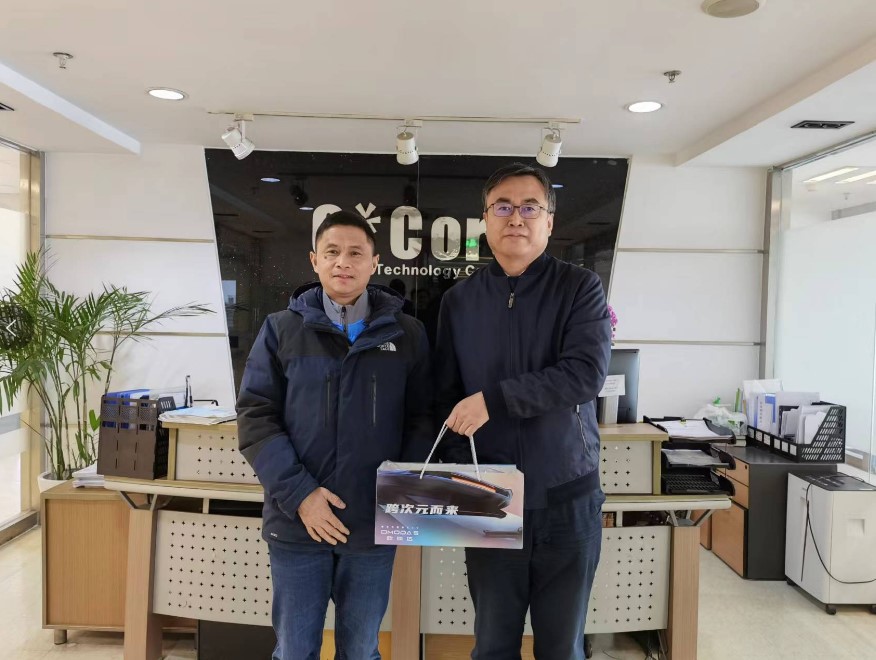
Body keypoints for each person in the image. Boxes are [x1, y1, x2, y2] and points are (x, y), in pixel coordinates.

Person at [236, 210, 432, 660]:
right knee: (294, 650)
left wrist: (396, 495)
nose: (343, 262)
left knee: (361, 650)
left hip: (371, 526)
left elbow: (423, 419)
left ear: (375, 263)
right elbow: (256, 417)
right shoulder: (281, 330)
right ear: (315, 260)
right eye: (332, 252)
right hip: (297, 522)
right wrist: (301, 495)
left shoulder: (408, 335)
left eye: (356, 253)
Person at [434, 162, 611, 660]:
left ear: (549, 221)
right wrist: (453, 478)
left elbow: (584, 375)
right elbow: (443, 396)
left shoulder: (580, 288)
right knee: (492, 644)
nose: (516, 217)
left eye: (530, 207)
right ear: (485, 221)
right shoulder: (458, 301)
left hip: (567, 496)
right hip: (489, 495)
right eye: (503, 207)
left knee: (562, 647)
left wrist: (494, 401)